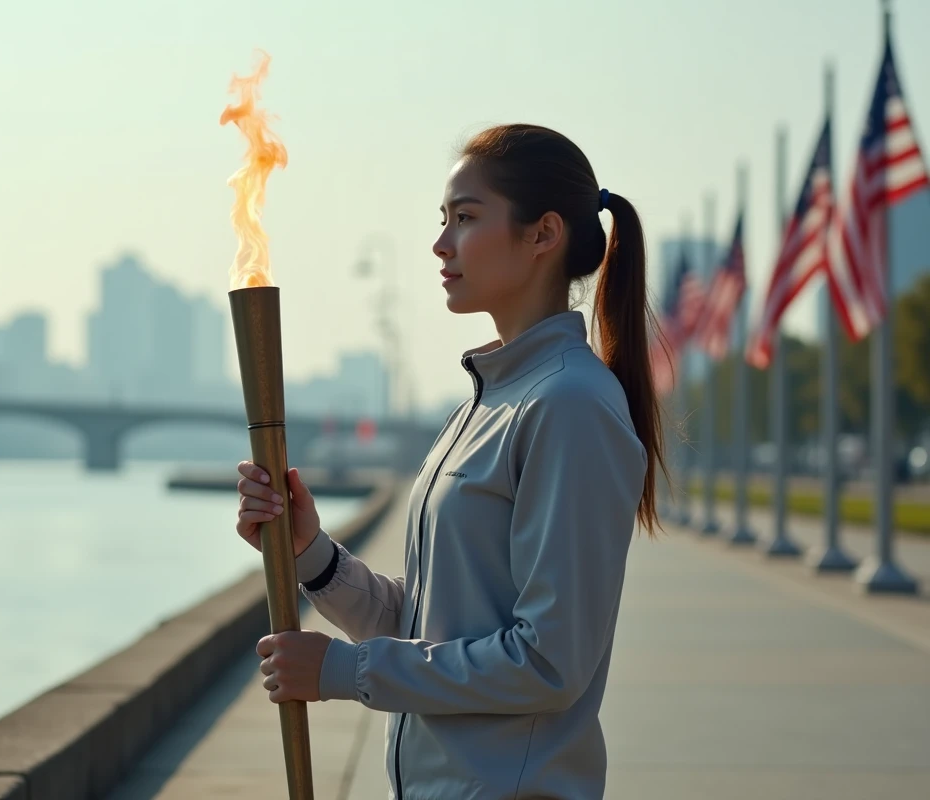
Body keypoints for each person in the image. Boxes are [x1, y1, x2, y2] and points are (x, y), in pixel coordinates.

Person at [235, 124, 665, 800]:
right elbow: (428, 628)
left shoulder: (570, 405)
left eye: (465, 219)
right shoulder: (479, 408)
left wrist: (346, 672)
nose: (440, 244)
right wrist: (312, 555)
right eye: (443, 220)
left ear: (542, 235)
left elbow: (549, 662)